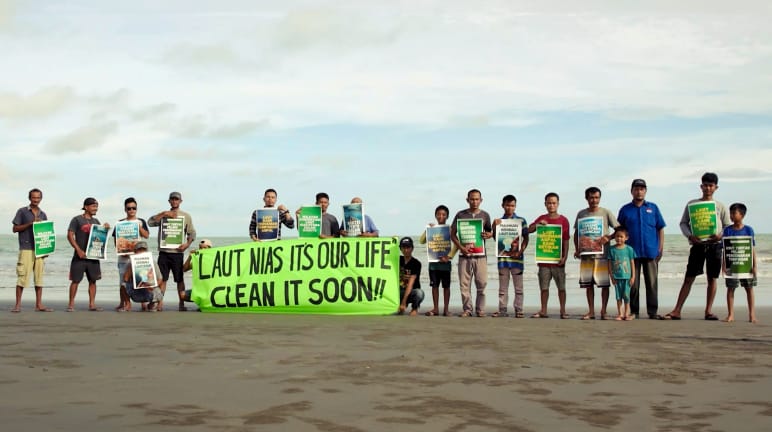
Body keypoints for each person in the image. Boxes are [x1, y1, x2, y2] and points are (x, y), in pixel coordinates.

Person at [661, 172, 731, 320]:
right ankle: (677, 310)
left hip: (715, 246)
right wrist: (690, 235)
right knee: (689, 278)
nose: (707, 188)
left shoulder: (720, 206)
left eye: (710, 185)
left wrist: (720, 235)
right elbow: (683, 223)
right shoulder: (692, 204)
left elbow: (727, 226)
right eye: (705, 185)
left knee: (712, 278)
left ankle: (708, 311)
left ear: (716, 187)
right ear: (701, 186)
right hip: (698, 246)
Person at [617, 179, 666, 319]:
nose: (639, 191)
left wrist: (660, 247)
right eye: (636, 189)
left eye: (642, 189)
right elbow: (619, 230)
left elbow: (660, 228)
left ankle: (652, 311)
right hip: (631, 253)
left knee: (652, 283)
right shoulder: (625, 209)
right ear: (631, 191)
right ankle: (634, 311)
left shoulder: (653, 208)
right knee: (633, 284)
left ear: (645, 191)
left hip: (651, 251)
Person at [574, 187, 619, 320]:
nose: (594, 200)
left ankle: (603, 311)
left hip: (602, 255)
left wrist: (609, 238)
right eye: (591, 198)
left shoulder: (605, 212)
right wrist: (577, 248)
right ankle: (591, 311)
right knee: (588, 285)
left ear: (600, 198)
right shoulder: (581, 214)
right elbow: (577, 232)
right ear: (586, 198)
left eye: (597, 197)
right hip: (586, 255)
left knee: (604, 284)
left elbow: (618, 229)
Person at [148, 191, 196, 311]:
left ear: (180, 201)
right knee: (162, 279)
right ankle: (159, 303)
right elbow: (150, 223)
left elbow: (192, 233)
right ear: (169, 201)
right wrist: (164, 214)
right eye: (172, 199)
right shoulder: (164, 214)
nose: (174, 201)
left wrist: (187, 244)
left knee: (179, 279)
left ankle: (181, 303)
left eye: (177, 199)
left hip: (177, 253)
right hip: (164, 252)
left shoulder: (186, 216)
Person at [450, 189, 492, 317]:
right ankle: (467, 309)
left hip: (480, 256)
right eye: (472, 199)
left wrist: (488, 235)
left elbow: (490, 232)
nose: (474, 201)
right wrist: (461, 247)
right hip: (464, 256)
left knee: (482, 283)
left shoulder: (485, 215)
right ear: (467, 200)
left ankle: (480, 309)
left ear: (481, 200)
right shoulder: (460, 215)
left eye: (477, 199)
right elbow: (452, 234)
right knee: (464, 285)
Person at [527, 192, 570, 319]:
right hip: (544, 261)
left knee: (561, 287)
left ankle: (563, 311)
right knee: (544, 288)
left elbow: (566, 240)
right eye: (549, 203)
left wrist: (565, 257)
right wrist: (538, 225)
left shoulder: (563, 220)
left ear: (558, 204)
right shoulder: (541, 218)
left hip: (558, 260)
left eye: (554, 203)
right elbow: (529, 230)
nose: (551, 205)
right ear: (545, 204)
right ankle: (543, 310)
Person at [11, 188, 53, 312]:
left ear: (41, 199)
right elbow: (15, 229)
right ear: (29, 198)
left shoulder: (43, 214)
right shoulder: (22, 212)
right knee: (22, 277)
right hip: (26, 248)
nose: (36, 200)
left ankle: (39, 305)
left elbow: (46, 233)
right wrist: (30, 223)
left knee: (39, 278)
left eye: (38, 198)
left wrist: (46, 249)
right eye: (33, 197)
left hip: (40, 250)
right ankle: (17, 305)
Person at [66, 197, 110, 312]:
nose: (96, 208)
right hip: (79, 256)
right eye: (93, 206)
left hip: (93, 257)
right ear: (86, 207)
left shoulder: (96, 222)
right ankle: (71, 304)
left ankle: (92, 304)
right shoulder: (76, 220)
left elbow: (100, 238)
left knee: (93, 280)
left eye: (97, 206)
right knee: (75, 280)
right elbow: (70, 235)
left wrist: (105, 228)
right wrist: (78, 250)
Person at [491, 195, 529, 318]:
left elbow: (526, 238)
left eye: (512, 205)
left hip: (517, 260)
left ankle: (519, 309)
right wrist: (494, 226)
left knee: (519, 288)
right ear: (502, 205)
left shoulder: (521, 221)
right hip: (503, 260)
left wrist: (521, 250)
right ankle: (502, 309)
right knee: (503, 288)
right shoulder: (499, 221)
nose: (509, 208)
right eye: (507, 205)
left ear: (515, 206)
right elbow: (496, 239)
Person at [721, 203, 757, 323]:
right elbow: (725, 249)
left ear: (742, 215)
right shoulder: (727, 230)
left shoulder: (748, 230)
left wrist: (754, 266)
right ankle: (730, 314)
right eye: (730, 213)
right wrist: (723, 265)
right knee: (731, 288)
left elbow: (752, 249)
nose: (731, 215)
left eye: (734, 213)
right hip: (732, 264)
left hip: (745, 265)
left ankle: (752, 315)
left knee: (749, 288)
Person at [418, 205, 456, 316]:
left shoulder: (450, 230)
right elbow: (421, 241)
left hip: (445, 264)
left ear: (447, 216)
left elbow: (456, 245)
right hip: (433, 265)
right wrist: (427, 230)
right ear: (435, 215)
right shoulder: (431, 229)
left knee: (446, 287)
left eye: (443, 214)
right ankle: (435, 309)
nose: (441, 216)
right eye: (439, 214)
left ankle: (446, 309)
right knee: (434, 286)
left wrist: (449, 257)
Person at [114, 197, 150, 312]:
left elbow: (146, 235)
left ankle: (143, 303)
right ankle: (124, 303)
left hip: (138, 257)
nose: (131, 210)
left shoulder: (141, 221)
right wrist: (120, 249)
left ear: (136, 209)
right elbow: (116, 239)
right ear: (125, 209)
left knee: (142, 280)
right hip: (124, 258)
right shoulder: (120, 223)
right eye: (129, 208)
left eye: (133, 208)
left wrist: (139, 227)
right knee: (123, 282)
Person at [122, 241, 163, 311]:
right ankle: (128, 304)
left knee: (159, 287)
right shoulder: (130, 263)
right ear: (135, 252)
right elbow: (125, 279)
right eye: (139, 250)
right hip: (136, 293)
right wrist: (132, 265)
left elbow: (160, 279)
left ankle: (152, 304)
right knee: (123, 285)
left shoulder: (152, 262)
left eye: (143, 250)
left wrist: (153, 286)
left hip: (149, 291)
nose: (141, 252)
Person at [608, 226, 637, 321]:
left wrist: (633, 276)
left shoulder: (629, 249)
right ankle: (620, 313)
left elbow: (632, 263)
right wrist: (611, 276)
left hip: (627, 277)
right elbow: (609, 264)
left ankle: (626, 313)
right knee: (618, 296)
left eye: (621, 236)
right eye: (617, 236)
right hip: (616, 277)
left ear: (626, 238)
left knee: (626, 296)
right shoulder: (611, 249)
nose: (619, 238)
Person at [398, 237, 424, 316]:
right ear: (400, 248)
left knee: (419, 293)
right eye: (403, 247)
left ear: (412, 248)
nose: (406, 250)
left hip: (412, 291)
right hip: (399, 291)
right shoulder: (397, 260)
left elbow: (411, 283)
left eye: (408, 247)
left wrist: (403, 302)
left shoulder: (416, 263)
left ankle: (414, 308)